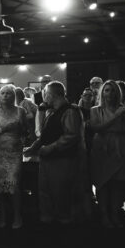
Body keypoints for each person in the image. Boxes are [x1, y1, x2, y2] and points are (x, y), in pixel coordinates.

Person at [24, 82, 84, 225]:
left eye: (45, 94)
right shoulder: (52, 111)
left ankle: (63, 224)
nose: (44, 98)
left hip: (62, 160)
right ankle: (49, 221)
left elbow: (71, 136)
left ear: (51, 94)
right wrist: (33, 147)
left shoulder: (69, 111)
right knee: (46, 192)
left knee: (60, 193)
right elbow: (44, 135)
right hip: (48, 159)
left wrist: (49, 148)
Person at [0, 85, 28, 229]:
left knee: (14, 185)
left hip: (14, 153)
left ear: (13, 96)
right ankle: (2, 215)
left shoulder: (20, 111)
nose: (5, 96)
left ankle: (17, 216)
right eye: (2, 93)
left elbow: (26, 132)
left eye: (8, 93)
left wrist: (20, 132)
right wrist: (4, 129)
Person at [89, 81, 125, 228]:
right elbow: (97, 128)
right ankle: (104, 215)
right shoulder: (95, 110)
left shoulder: (124, 109)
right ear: (102, 93)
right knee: (103, 182)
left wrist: (124, 114)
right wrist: (116, 116)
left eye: (113, 91)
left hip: (121, 146)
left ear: (118, 93)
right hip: (103, 147)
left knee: (118, 183)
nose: (110, 94)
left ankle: (115, 214)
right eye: (107, 90)